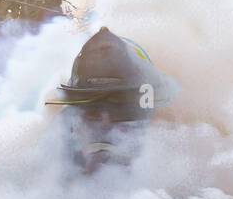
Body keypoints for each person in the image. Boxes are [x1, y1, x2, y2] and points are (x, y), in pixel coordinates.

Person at [48, 27, 180, 172]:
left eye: (120, 112)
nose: (105, 123)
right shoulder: (62, 135)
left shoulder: (166, 136)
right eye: (93, 112)